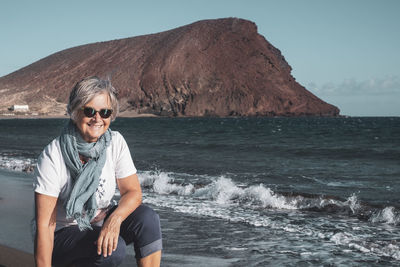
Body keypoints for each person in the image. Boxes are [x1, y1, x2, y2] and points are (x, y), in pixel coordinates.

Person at [33, 76, 162, 267]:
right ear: (75, 112)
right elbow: (45, 226)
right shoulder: (53, 155)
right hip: (61, 234)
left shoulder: (115, 142)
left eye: (105, 112)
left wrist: (114, 220)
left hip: (100, 221)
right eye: (89, 111)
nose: (97, 118)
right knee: (113, 249)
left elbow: (133, 192)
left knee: (147, 219)